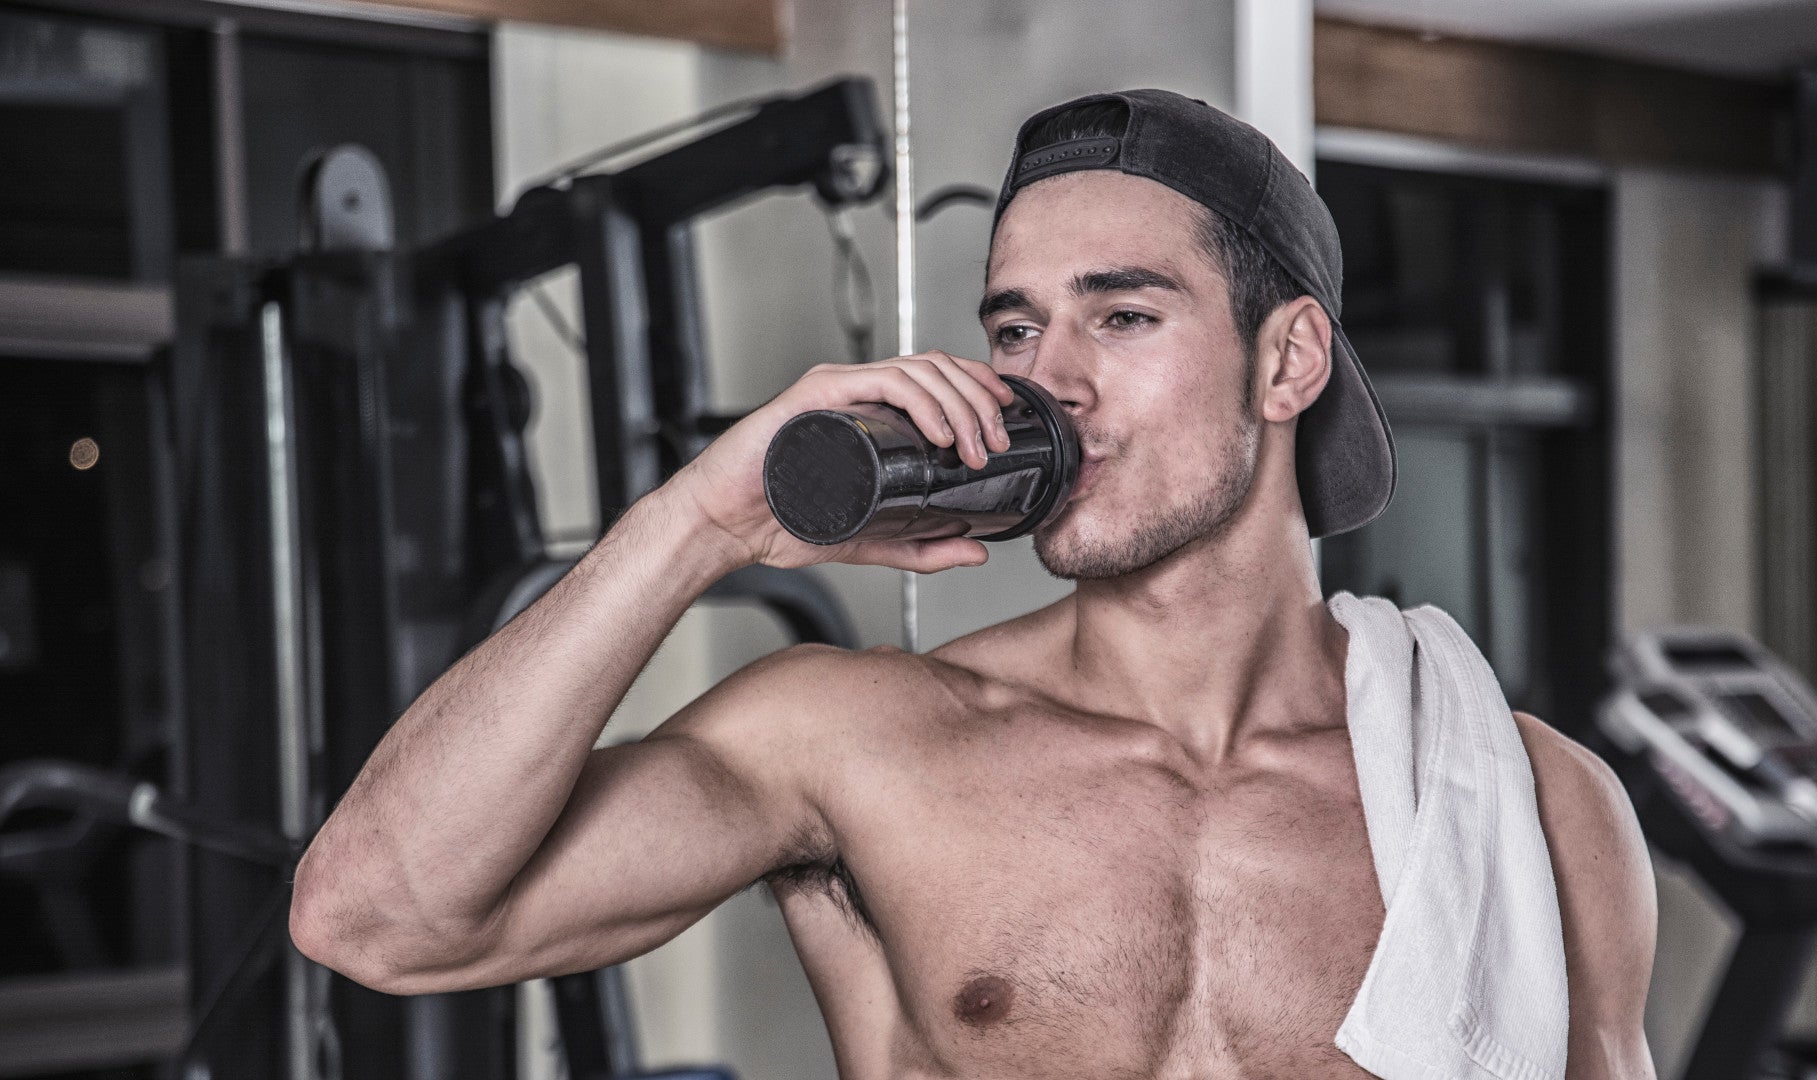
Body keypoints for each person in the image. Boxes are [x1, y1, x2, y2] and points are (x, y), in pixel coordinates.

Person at [291, 90, 1658, 1079]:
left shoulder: (1524, 803)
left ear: (1287, 361)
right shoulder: (867, 746)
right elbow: (376, 919)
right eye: (1016, 326)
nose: (1046, 378)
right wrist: (699, 523)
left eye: (1121, 316)